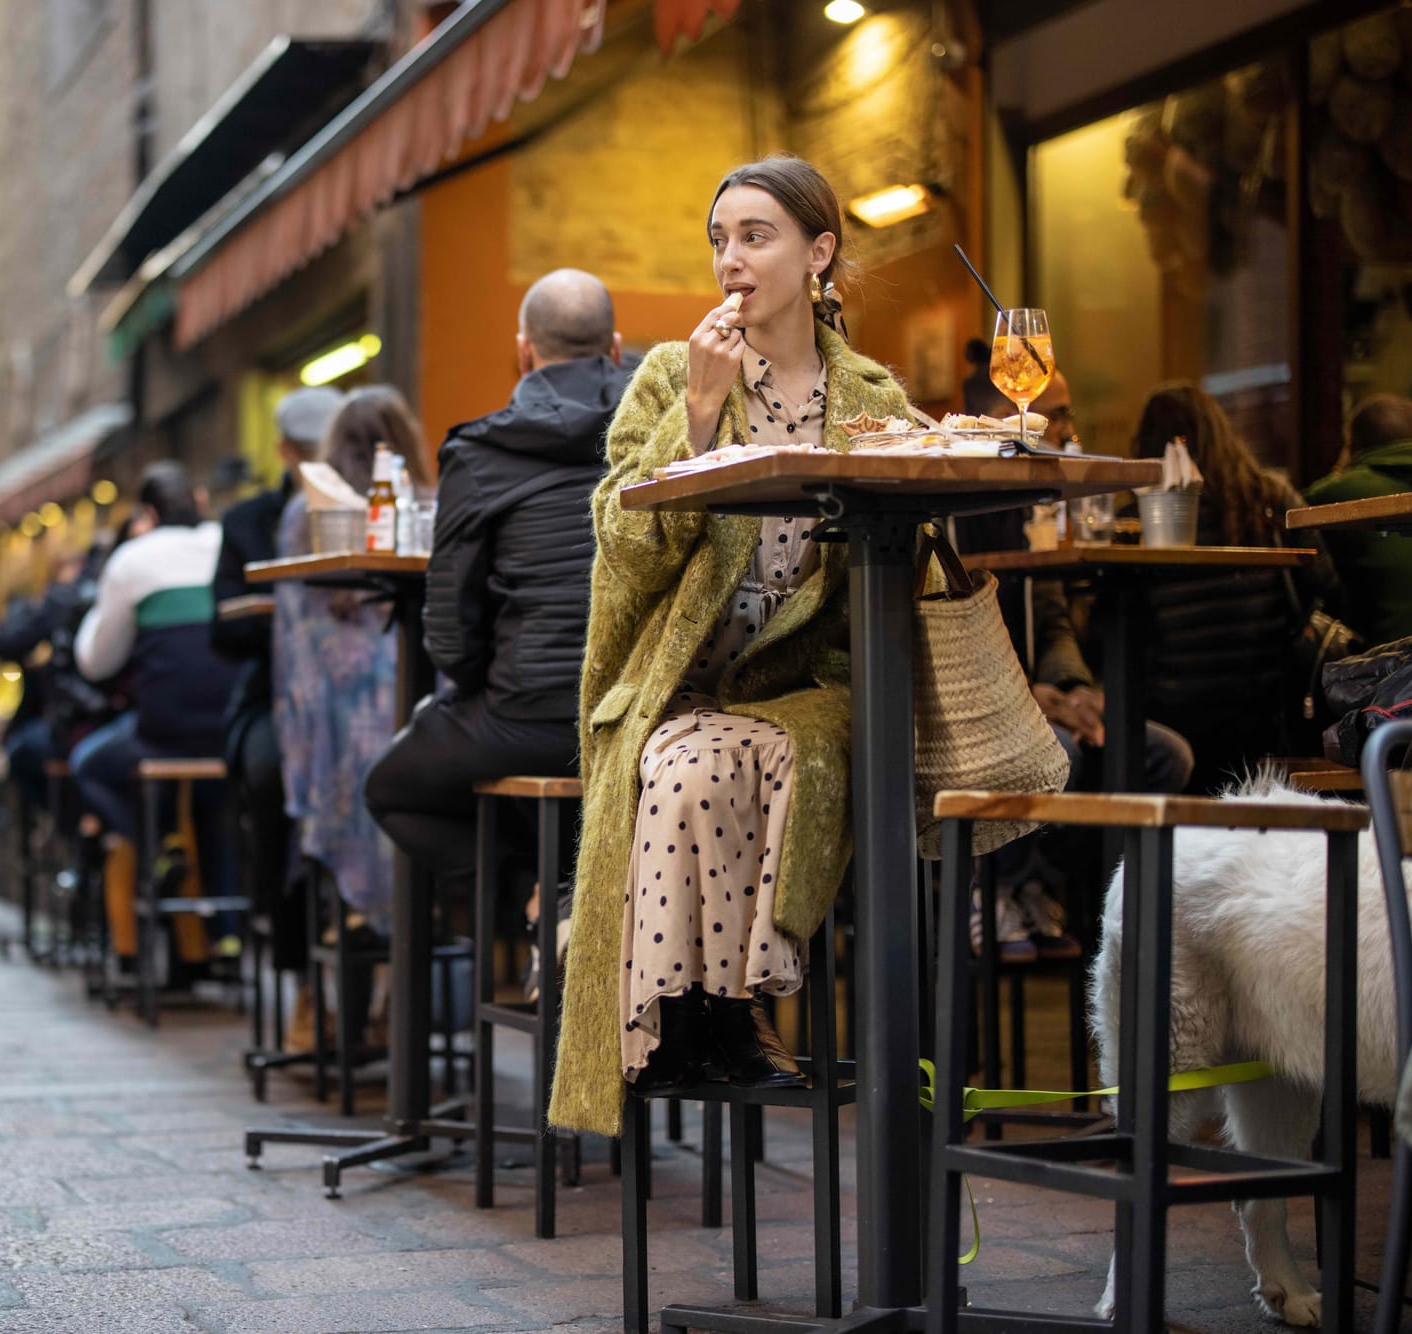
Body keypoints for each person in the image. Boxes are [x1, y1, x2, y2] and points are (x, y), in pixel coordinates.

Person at [548, 156, 916, 1140]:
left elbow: (911, 551)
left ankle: (715, 1017)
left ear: (817, 252)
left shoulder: (872, 394)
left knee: (702, 754)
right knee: (682, 748)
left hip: (808, 688)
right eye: (718, 240)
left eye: (754, 235)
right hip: (677, 681)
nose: (730, 260)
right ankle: (701, 1020)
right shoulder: (672, 373)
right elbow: (618, 547)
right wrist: (699, 415)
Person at [365, 269, 629, 892]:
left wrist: (485, 686)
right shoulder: (672, 430)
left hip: (526, 719)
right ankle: (575, 896)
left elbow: (450, 629)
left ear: (522, 351)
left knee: (388, 791)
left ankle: (542, 895)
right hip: (641, 714)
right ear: (617, 350)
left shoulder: (478, 451)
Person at [953, 370, 1195, 960]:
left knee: (1160, 754)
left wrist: (1075, 685)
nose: (1064, 429)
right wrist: (1030, 695)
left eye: (1061, 414)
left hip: (1040, 701)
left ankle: (1100, 906)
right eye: (1053, 416)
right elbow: (945, 639)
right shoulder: (951, 513)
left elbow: (1055, 618)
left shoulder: (1041, 511)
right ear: (1005, 425)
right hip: (970, 706)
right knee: (1058, 749)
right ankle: (995, 887)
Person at [1128, 383, 1340, 792]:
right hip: (1264, 708)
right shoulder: (1269, 498)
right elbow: (1330, 588)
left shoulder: (1138, 517)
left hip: (1172, 717)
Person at [211, 386, 344, 1035]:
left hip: (355, 699)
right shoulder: (247, 523)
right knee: (275, 781)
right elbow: (222, 631)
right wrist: (283, 617)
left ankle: (380, 986)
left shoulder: (367, 509)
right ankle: (298, 975)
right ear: (285, 452)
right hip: (273, 694)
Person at [70, 463, 242, 963]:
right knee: (215, 800)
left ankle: (157, 844)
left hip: (165, 734)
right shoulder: (230, 542)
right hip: (232, 733)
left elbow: (96, 661)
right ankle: (224, 931)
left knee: (91, 764)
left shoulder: (131, 559)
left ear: (147, 513)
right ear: (202, 499)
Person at [273, 388, 429, 936]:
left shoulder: (303, 514)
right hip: (418, 706)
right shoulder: (430, 505)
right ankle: (410, 925)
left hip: (331, 723)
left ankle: (354, 934)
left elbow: (295, 641)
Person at [0, 544, 114, 814]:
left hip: (77, 721)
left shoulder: (60, 601)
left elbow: (5, 643)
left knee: (23, 753)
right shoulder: (102, 597)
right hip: (100, 714)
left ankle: (65, 828)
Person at [1304, 392, 1412, 645]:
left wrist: (1340, 471)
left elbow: (1286, 516)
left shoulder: (1345, 489)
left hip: (1389, 670)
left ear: (1352, 445)